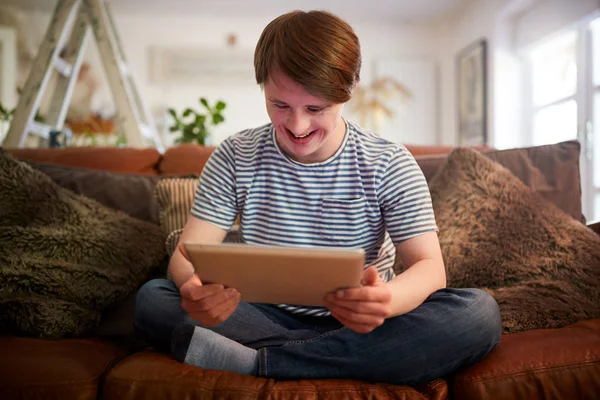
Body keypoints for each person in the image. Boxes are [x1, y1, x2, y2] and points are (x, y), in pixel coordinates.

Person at [135, 10, 502, 386]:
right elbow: (185, 256)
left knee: (478, 313)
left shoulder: (388, 162)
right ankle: (335, 359)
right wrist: (195, 290)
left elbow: (429, 268)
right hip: (260, 314)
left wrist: (385, 301)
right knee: (154, 299)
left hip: (360, 323)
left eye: (315, 109)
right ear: (262, 85)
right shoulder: (235, 155)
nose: (297, 126)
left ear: (350, 88)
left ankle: (258, 362)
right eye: (280, 105)